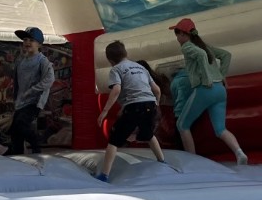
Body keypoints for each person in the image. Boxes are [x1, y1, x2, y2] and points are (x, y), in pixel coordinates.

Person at [169, 17, 247, 164]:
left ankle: (193, 161)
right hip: (220, 90)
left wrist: (206, 79)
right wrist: (222, 75)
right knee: (220, 129)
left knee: (182, 125)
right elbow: (226, 55)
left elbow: (201, 56)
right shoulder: (204, 45)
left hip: (206, 89)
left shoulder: (187, 46)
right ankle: (239, 152)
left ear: (183, 34)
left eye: (177, 33)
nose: (177, 37)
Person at [95, 40, 167, 181]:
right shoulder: (141, 67)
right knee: (149, 134)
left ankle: (104, 175)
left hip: (135, 106)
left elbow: (116, 90)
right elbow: (157, 89)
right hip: (150, 104)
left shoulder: (116, 69)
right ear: (126, 53)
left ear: (110, 60)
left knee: (114, 139)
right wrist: (156, 103)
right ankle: (162, 160)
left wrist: (104, 111)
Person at [8, 26, 55, 156]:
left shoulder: (42, 61)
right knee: (15, 132)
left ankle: (36, 147)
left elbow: (49, 79)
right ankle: (17, 156)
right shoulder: (21, 60)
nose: (27, 43)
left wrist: (33, 90)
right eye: (25, 40)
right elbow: (16, 77)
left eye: (31, 40)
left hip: (34, 101)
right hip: (21, 101)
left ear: (39, 44)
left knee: (21, 124)